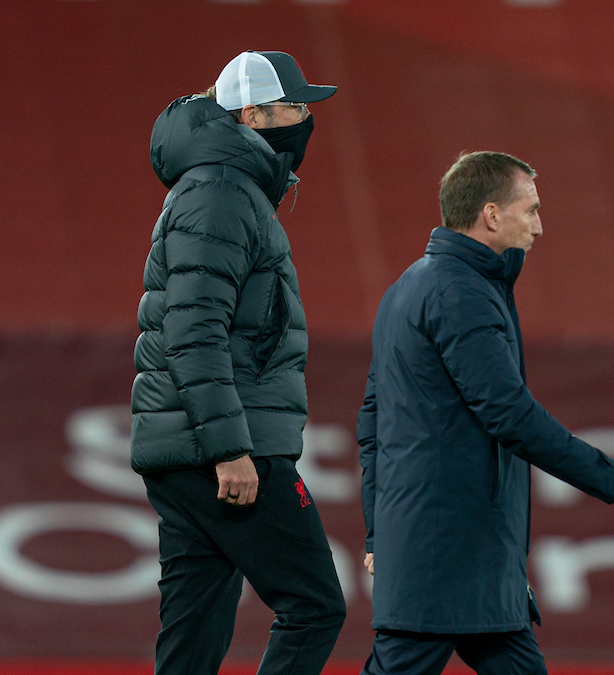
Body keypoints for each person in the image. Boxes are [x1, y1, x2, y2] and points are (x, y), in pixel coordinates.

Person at [357, 151, 614, 675]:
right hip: (447, 551)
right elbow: (508, 413)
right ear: (492, 215)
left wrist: (378, 531)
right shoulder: (459, 293)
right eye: (530, 210)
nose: (540, 225)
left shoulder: (410, 287)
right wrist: (606, 474)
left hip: (464, 557)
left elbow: (373, 422)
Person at [131, 51, 346, 675]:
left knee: (194, 635)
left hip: (189, 440)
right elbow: (193, 331)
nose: (305, 120)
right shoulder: (223, 192)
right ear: (252, 114)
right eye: (294, 107)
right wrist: (230, 448)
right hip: (223, 442)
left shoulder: (220, 187)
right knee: (313, 605)